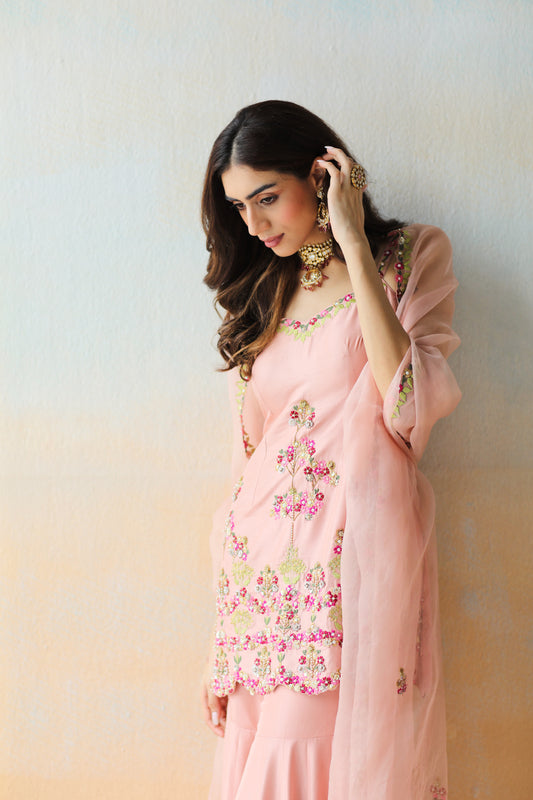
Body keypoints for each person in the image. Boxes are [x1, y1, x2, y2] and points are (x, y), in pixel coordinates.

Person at [200, 100, 460, 800]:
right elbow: (248, 462)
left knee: (322, 754)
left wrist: (351, 241)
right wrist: (221, 636)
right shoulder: (262, 287)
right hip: (260, 579)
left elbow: (408, 411)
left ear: (321, 175)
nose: (254, 226)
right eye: (238, 207)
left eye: (266, 198)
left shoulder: (408, 258)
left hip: (352, 561)